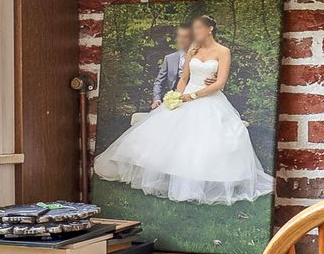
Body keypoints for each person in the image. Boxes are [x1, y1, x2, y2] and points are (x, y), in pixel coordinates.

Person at [93, 13, 274, 205]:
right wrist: (177, 97)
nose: (195, 32)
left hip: (208, 98)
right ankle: (167, 176)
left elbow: (220, 83)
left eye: (199, 28)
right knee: (167, 134)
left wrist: (193, 96)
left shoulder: (223, 51)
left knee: (206, 139)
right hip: (186, 95)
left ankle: (204, 181)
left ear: (210, 29)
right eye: (194, 29)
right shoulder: (193, 50)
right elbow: (184, 78)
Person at [152, 22, 193, 107]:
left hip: (194, 97)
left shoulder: (200, 58)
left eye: (185, 37)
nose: (181, 40)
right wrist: (157, 99)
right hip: (175, 98)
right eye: (179, 36)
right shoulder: (169, 58)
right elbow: (159, 82)